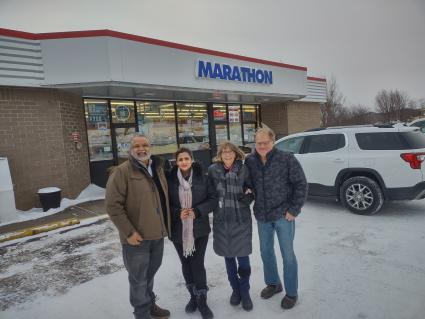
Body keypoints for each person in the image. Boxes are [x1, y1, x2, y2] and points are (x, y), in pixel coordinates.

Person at [106, 134, 171, 319]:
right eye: (137, 146)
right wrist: (129, 232)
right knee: (138, 280)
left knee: (149, 275)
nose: (141, 149)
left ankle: (150, 305)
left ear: (150, 147)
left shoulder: (156, 168)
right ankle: (141, 314)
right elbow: (113, 206)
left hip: (156, 235)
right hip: (136, 239)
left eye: (145, 145)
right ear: (130, 149)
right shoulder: (122, 172)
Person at [245, 127, 307, 310]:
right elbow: (248, 184)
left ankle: (291, 292)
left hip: (283, 216)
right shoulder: (250, 161)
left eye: (265, 143)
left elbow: (301, 184)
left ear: (273, 142)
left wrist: (294, 210)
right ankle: (273, 283)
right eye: (258, 143)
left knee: (287, 256)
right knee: (266, 252)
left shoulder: (286, 159)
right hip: (263, 216)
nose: (262, 146)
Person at [167, 147, 216, 319]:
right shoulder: (170, 179)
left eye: (187, 158)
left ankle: (202, 299)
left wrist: (198, 211)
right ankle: (192, 297)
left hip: (199, 229)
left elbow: (213, 200)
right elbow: (164, 203)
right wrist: (176, 213)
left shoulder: (204, 178)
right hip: (178, 229)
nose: (184, 162)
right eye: (180, 159)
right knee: (186, 264)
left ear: (192, 159)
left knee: (197, 264)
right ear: (176, 162)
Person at [208, 141, 255, 311]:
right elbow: (209, 192)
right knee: (228, 257)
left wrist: (247, 199)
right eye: (224, 152)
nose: (227, 154)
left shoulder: (243, 169)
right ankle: (235, 290)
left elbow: (251, 188)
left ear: (236, 153)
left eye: (230, 152)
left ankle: (245, 291)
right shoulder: (213, 170)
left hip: (241, 218)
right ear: (220, 154)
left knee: (242, 256)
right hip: (222, 218)